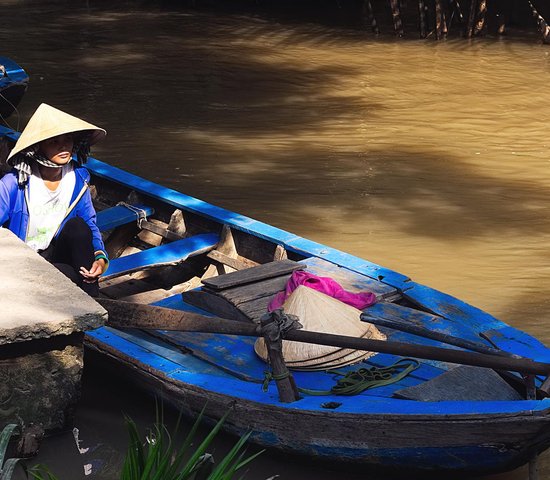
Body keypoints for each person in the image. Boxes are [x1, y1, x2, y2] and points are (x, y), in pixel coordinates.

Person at [0, 103, 109, 297]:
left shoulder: (78, 180)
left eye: (68, 139)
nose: (63, 146)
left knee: (78, 227)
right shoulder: (14, 183)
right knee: (61, 278)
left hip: (55, 256)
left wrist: (100, 258)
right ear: (37, 146)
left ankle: (93, 298)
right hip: (21, 263)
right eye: (54, 141)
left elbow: (90, 225)